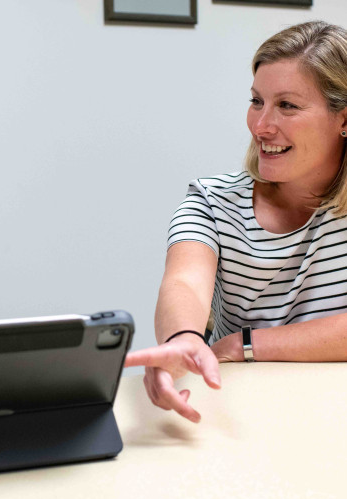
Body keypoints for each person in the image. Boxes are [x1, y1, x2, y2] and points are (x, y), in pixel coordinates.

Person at [132, 21, 347, 422]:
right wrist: (183, 341)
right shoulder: (212, 201)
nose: (261, 125)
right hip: (241, 412)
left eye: (287, 105)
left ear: (343, 119)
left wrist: (247, 344)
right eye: (256, 101)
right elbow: (184, 282)